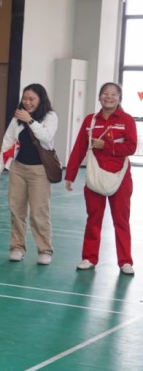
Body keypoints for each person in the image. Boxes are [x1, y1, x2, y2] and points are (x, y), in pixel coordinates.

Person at [65, 82, 137, 274]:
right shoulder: (90, 120)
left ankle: (125, 261)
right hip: (95, 176)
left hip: (120, 178)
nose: (109, 97)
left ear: (119, 98)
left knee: (121, 220)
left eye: (113, 94)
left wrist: (106, 146)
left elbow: (131, 147)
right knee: (93, 218)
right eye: (105, 93)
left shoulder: (127, 120)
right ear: (99, 97)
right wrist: (70, 174)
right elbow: (79, 147)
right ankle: (89, 257)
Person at [0, 84, 58, 264]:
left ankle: (45, 250)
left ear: (41, 99)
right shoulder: (17, 118)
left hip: (40, 171)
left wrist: (30, 121)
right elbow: (8, 142)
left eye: (31, 99)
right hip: (18, 169)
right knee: (16, 211)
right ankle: (17, 247)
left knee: (39, 212)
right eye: (25, 98)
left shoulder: (50, 117)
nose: (27, 102)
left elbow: (46, 137)